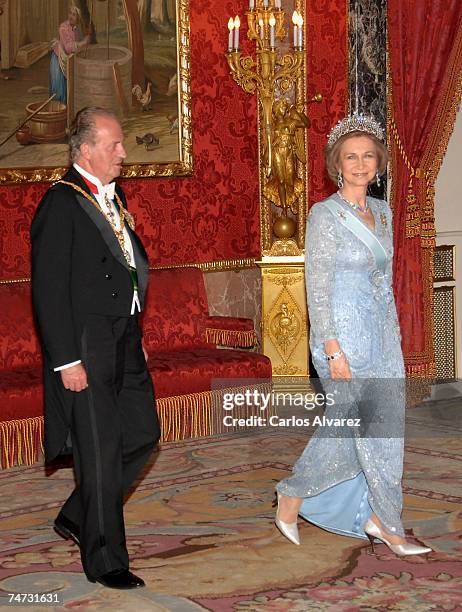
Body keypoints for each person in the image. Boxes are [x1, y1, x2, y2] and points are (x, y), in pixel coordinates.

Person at [274, 114, 432, 556]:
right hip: (341, 338)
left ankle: (382, 517)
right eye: (350, 157)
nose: (360, 164)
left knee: (387, 430)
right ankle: (295, 492)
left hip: (382, 335)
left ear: (378, 162)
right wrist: (331, 348)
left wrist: (394, 337)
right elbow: (316, 285)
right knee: (349, 430)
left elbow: (383, 283)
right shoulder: (324, 215)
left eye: (367, 156)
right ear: (336, 164)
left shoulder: (382, 211)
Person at [31, 107, 161, 588]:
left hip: (124, 337)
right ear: (85, 150)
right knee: (101, 451)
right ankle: (105, 560)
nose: (123, 153)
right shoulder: (59, 204)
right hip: (85, 344)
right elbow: (47, 291)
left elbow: (124, 268)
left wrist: (136, 335)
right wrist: (67, 360)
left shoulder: (114, 194)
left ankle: (77, 512)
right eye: (115, 145)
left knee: (144, 433)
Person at [49, 5, 90, 103]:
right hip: (59, 60)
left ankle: (67, 109)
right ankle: (58, 111)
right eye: (70, 13)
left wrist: (84, 42)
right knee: (59, 89)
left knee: (70, 89)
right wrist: (83, 43)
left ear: (78, 18)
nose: (71, 16)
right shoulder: (63, 27)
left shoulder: (77, 30)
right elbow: (68, 48)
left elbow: (78, 46)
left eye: (74, 15)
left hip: (69, 60)